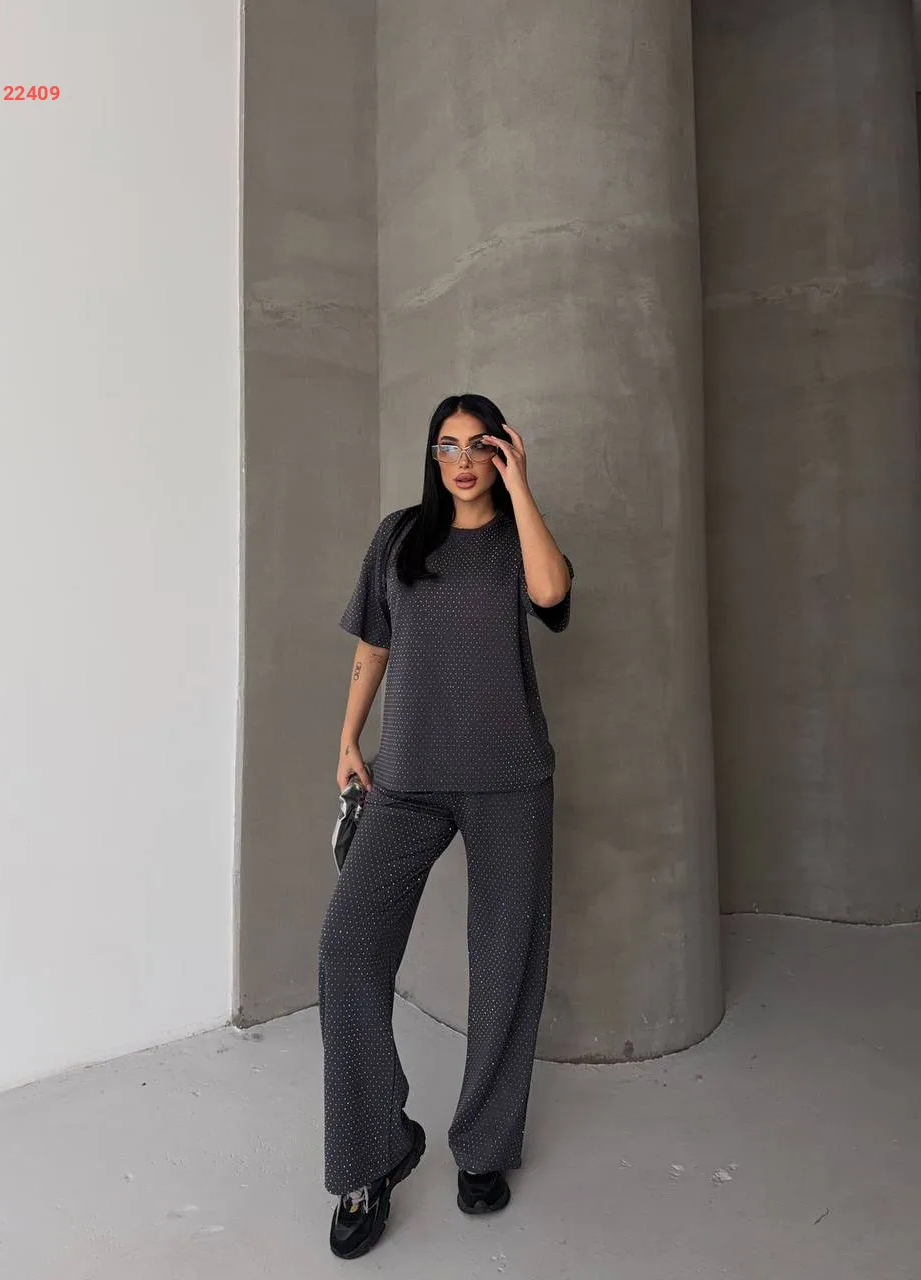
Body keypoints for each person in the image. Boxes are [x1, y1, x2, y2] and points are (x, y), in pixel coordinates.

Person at [319, 393, 573, 1260]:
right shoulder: (399, 538)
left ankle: (484, 1148)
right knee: (348, 946)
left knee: (504, 964)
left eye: (479, 446)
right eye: (447, 446)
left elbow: (552, 592)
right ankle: (370, 1156)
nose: (462, 461)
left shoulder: (517, 537)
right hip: (409, 780)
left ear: (501, 453)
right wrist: (348, 740)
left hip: (510, 779)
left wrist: (522, 488)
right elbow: (373, 646)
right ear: (432, 457)